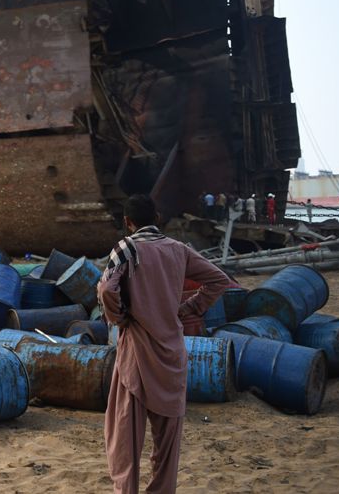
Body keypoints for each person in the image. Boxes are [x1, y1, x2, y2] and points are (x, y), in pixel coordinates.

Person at [98, 194, 230, 494]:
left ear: (127, 222)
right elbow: (219, 280)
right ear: (157, 218)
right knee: (167, 445)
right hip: (172, 356)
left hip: (137, 354)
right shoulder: (179, 250)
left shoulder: (126, 247)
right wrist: (188, 309)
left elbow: (107, 287)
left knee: (125, 439)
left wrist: (119, 316)